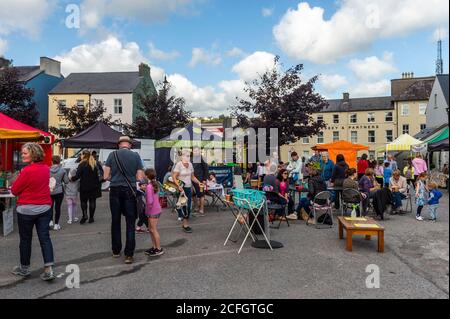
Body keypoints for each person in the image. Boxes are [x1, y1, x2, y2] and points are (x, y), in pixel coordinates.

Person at [11, 143, 55, 281]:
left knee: (25, 240)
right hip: (44, 208)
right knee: (45, 238)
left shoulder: (26, 171)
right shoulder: (46, 169)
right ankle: (49, 269)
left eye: (25, 153)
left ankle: (24, 268)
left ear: (33, 154)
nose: (22, 155)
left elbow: (14, 190)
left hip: (26, 210)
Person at [103, 136, 145, 264]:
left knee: (115, 221)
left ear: (119, 145)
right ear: (130, 145)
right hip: (129, 191)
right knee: (130, 222)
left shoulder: (112, 155)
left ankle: (116, 250)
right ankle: (129, 255)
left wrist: (114, 179)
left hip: (115, 190)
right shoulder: (136, 156)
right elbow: (139, 178)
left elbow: (105, 176)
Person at [172, 149, 203, 233]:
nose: (188, 157)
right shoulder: (179, 164)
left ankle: (180, 212)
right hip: (181, 188)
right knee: (185, 207)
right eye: (186, 155)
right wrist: (178, 186)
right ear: (182, 156)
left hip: (188, 188)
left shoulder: (190, 165)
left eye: (189, 156)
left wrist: (199, 182)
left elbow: (192, 177)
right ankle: (185, 225)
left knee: (188, 206)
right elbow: (174, 177)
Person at [71, 150, 102, 224]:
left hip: (84, 186)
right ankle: (91, 218)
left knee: (83, 201)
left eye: (81, 154)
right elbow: (101, 172)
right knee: (92, 201)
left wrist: (71, 178)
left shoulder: (82, 164)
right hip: (95, 186)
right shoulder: (95, 163)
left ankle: (85, 215)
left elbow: (77, 176)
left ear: (84, 155)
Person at [143, 168, 164, 256]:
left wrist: (147, 210)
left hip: (153, 211)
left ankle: (158, 248)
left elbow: (150, 201)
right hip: (156, 210)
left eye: (145, 174)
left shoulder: (149, 186)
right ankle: (155, 247)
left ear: (147, 176)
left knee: (153, 230)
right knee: (151, 230)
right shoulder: (154, 184)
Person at [49, 155, 69, 231]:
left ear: (52, 161)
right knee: (58, 208)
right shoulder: (62, 170)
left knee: (50, 207)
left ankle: (50, 221)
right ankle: (56, 224)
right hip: (59, 191)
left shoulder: (48, 170)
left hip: (50, 191)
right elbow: (66, 181)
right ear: (59, 161)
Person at [192, 147, 209, 216]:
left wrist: (204, 179)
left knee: (201, 194)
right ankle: (196, 206)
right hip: (192, 179)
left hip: (200, 180)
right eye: (194, 151)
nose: (195, 152)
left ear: (199, 151)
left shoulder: (202, 158)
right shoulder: (191, 159)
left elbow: (206, 169)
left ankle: (202, 208)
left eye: (196, 151)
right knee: (193, 194)